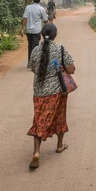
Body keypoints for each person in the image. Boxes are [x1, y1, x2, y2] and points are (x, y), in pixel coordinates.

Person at [27, 23, 76, 169]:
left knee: (39, 120)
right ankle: (60, 145)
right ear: (55, 35)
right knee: (60, 115)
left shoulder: (35, 50)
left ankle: (36, 152)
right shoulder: (60, 49)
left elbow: (33, 69)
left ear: (42, 34)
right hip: (57, 92)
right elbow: (71, 69)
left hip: (39, 92)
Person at [20, 0, 48, 67]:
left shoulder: (28, 7)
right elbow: (45, 20)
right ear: (39, 1)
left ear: (33, 0)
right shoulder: (41, 9)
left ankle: (30, 62)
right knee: (35, 47)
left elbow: (25, 18)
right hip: (36, 31)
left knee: (30, 46)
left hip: (29, 31)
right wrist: (48, 28)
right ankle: (33, 63)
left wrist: (22, 29)